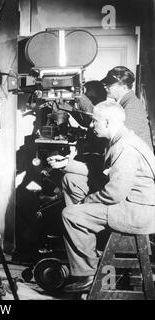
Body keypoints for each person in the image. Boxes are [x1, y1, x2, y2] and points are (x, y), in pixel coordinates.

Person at [48, 100, 155, 293]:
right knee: (71, 180)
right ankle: (87, 243)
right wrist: (65, 164)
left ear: (107, 122)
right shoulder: (120, 139)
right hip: (130, 202)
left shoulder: (125, 148)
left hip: (135, 211)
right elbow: (98, 171)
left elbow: (115, 193)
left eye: (94, 121)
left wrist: (85, 203)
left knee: (70, 215)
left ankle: (86, 273)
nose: (91, 125)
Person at [101, 66, 153, 149]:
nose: (105, 87)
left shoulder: (132, 107)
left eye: (110, 84)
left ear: (123, 87)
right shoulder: (125, 103)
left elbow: (121, 138)